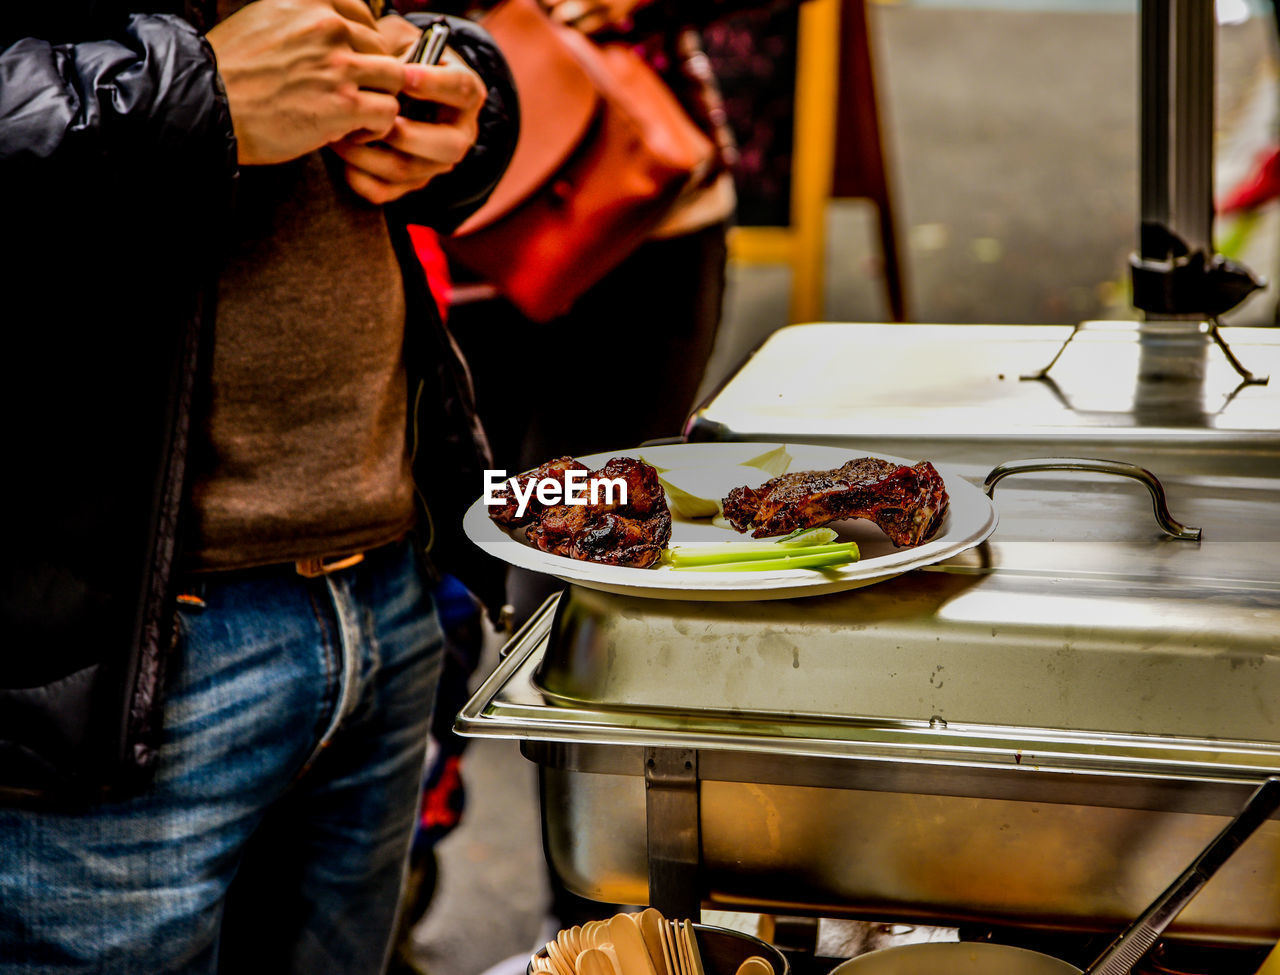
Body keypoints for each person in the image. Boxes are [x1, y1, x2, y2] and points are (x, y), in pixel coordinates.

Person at [0, 0, 517, 970]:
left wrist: (457, 90)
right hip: (104, 649)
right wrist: (188, 99)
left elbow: (424, 27)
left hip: (380, 588)